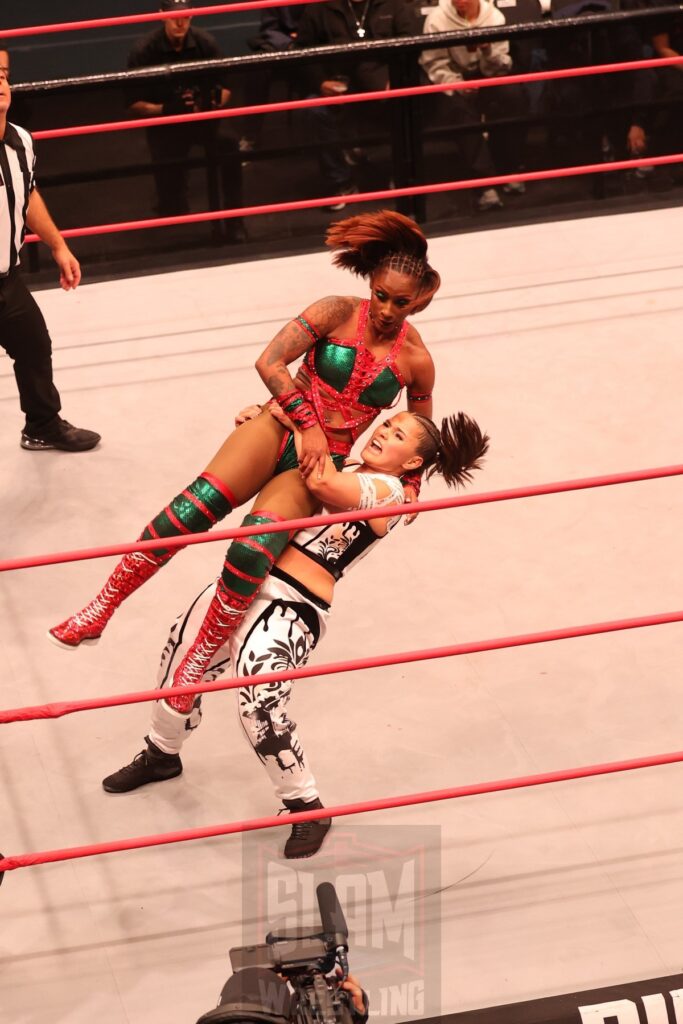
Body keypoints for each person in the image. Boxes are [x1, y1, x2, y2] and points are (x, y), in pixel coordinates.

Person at [49, 210, 439, 670]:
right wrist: (307, 424)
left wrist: (411, 485)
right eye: (381, 296)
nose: (388, 310)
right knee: (191, 510)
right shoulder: (335, 310)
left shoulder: (418, 360)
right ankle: (101, 608)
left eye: (401, 303)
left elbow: (420, 433)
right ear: (370, 281)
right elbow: (270, 362)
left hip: (321, 462)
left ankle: (197, 660)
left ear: (418, 302)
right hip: (278, 426)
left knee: (253, 549)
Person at [100, 407, 490, 860]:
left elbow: (322, 484)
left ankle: (306, 806)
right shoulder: (346, 464)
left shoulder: (389, 493)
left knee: (260, 705)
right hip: (242, 580)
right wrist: (274, 420)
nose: (383, 433)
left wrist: (291, 426)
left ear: (412, 465)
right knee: (179, 661)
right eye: (385, 424)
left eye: (397, 434)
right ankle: (162, 753)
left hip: (292, 605)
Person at [0, 66, 100, 452]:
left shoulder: (22, 142)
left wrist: (58, 246)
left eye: (2, 76)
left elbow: (27, 195)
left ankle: (42, 424)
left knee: (35, 348)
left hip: (7, 279)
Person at [126, 0, 245, 239]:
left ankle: (235, 221)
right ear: (161, 16)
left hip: (203, 119)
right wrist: (167, 109)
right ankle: (172, 204)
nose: (180, 22)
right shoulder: (143, 51)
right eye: (174, 17)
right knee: (171, 205)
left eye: (186, 17)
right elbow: (133, 103)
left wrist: (209, 103)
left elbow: (227, 87)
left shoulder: (206, 43)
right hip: (166, 123)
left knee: (230, 146)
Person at [295, 0, 419, 206]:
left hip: (384, 82)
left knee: (405, 99)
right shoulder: (318, 8)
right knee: (313, 109)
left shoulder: (395, 5)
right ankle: (340, 181)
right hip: (336, 85)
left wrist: (396, 78)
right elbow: (301, 53)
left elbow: (411, 45)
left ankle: (400, 173)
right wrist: (320, 83)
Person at [420, 0, 528, 212]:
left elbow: (503, 64)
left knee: (513, 96)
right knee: (459, 110)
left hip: (490, 75)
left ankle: (510, 168)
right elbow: (434, 64)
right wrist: (457, 84)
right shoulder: (436, 20)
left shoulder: (494, 17)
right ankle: (484, 183)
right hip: (454, 78)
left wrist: (488, 51)